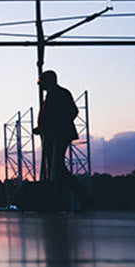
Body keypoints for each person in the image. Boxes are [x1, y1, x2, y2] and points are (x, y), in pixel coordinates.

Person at [35, 70, 92, 208]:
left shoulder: (60, 94)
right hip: (52, 135)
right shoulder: (52, 95)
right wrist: (42, 128)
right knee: (55, 167)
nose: (40, 85)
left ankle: (80, 197)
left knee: (57, 166)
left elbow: (72, 111)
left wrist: (56, 127)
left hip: (59, 135)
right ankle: (71, 197)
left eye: (41, 82)